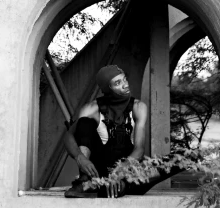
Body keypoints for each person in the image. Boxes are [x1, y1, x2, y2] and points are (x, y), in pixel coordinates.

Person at [63, 65, 177, 198]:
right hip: (99, 173)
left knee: (180, 158)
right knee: (84, 123)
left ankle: (119, 186)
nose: (125, 85)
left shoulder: (138, 107)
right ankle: (84, 181)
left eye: (124, 80)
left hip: (129, 172)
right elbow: (68, 136)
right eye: (118, 83)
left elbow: (139, 150)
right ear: (107, 88)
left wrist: (120, 171)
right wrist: (79, 157)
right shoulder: (91, 109)